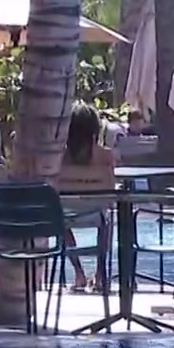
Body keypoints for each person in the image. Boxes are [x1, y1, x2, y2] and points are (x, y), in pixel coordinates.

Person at [61, 103, 117, 292]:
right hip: (96, 214)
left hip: (66, 216)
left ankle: (79, 273)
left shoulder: (60, 157)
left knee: (60, 221)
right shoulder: (106, 156)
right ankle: (100, 273)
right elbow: (110, 194)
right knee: (107, 217)